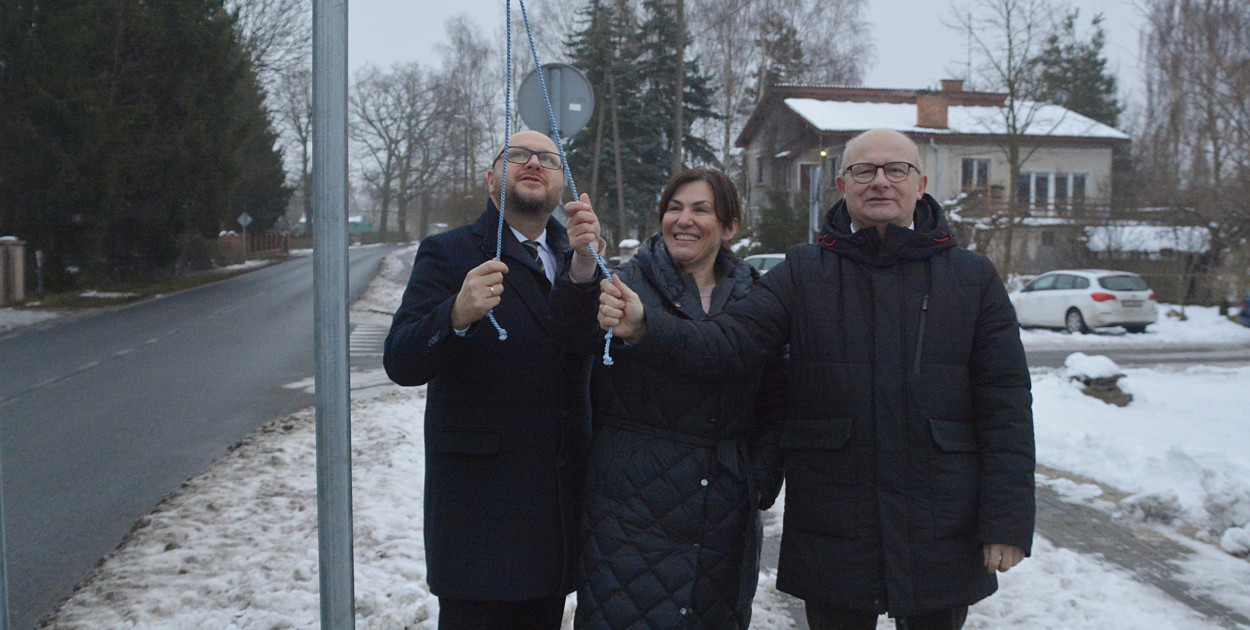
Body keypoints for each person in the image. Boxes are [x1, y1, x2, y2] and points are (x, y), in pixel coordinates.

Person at [598, 129, 1034, 630]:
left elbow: (1006, 406)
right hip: (835, 527)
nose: (880, 182)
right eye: (863, 171)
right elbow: (728, 344)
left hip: (940, 524)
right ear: (841, 184)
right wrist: (646, 327)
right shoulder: (804, 272)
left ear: (922, 183)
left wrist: (1007, 520)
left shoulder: (972, 278)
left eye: (896, 170)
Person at [383, 129, 602, 630]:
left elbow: (592, 358)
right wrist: (455, 314)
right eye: (518, 155)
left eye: (547, 159)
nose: (533, 163)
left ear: (561, 183)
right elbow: (401, 361)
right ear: (490, 178)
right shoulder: (449, 252)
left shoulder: (581, 258)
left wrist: (589, 273)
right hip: (479, 523)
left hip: (555, 518)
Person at [550, 167, 785, 629]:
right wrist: (581, 265)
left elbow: (775, 399)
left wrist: (755, 481)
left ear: (731, 225)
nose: (684, 220)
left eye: (701, 209)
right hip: (630, 507)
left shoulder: (757, 295)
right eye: (674, 209)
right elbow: (572, 334)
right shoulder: (624, 282)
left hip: (723, 513)